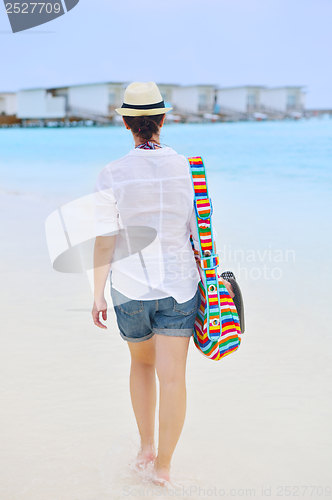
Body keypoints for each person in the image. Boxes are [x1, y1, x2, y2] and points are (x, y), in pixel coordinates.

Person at [91, 82, 232, 484]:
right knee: (173, 377)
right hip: (180, 287)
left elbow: (105, 241)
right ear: (164, 119)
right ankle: (164, 468)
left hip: (129, 288)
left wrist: (97, 294)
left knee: (141, 363)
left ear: (125, 123)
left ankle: (145, 448)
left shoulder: (111, 174)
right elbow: (203, 235)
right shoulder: (191, 169)